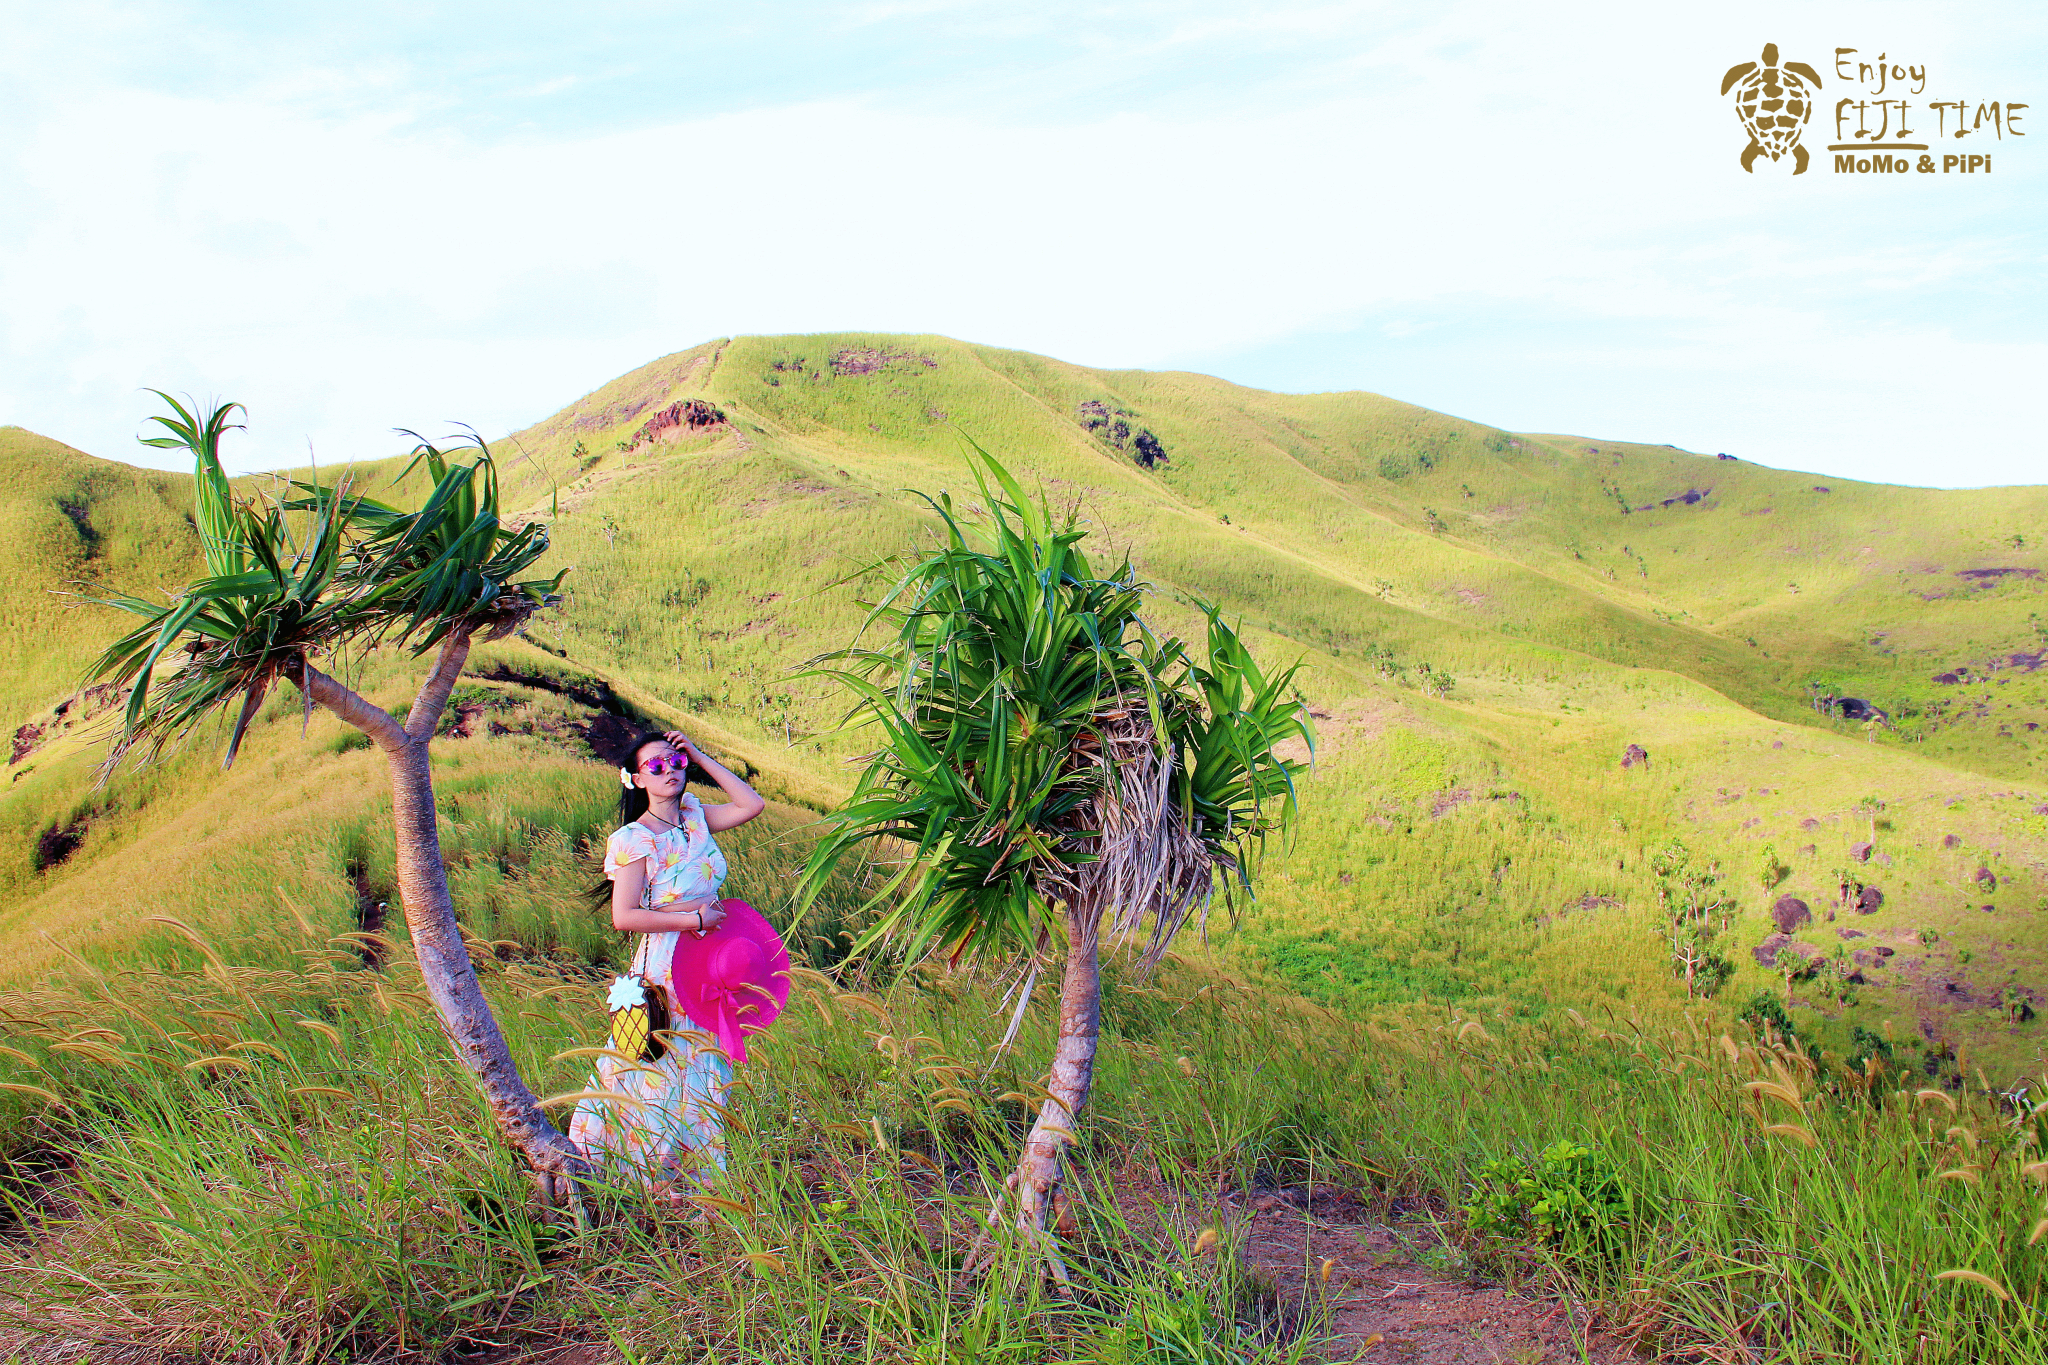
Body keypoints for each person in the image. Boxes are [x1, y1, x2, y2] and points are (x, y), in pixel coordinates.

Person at [569, 728, 765, 1194]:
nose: (668, 770)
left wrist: (698, 752)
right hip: (666, 961)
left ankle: (693, 1174)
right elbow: (624, 916)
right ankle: (633, 1166)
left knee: (702, 1061)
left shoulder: (695, 816)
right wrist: (693, 916)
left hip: (711, 958)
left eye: (674, 761)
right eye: (655, 765)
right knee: (657, 1060)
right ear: (636, 779)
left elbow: (750, 804)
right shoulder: (633, 839)